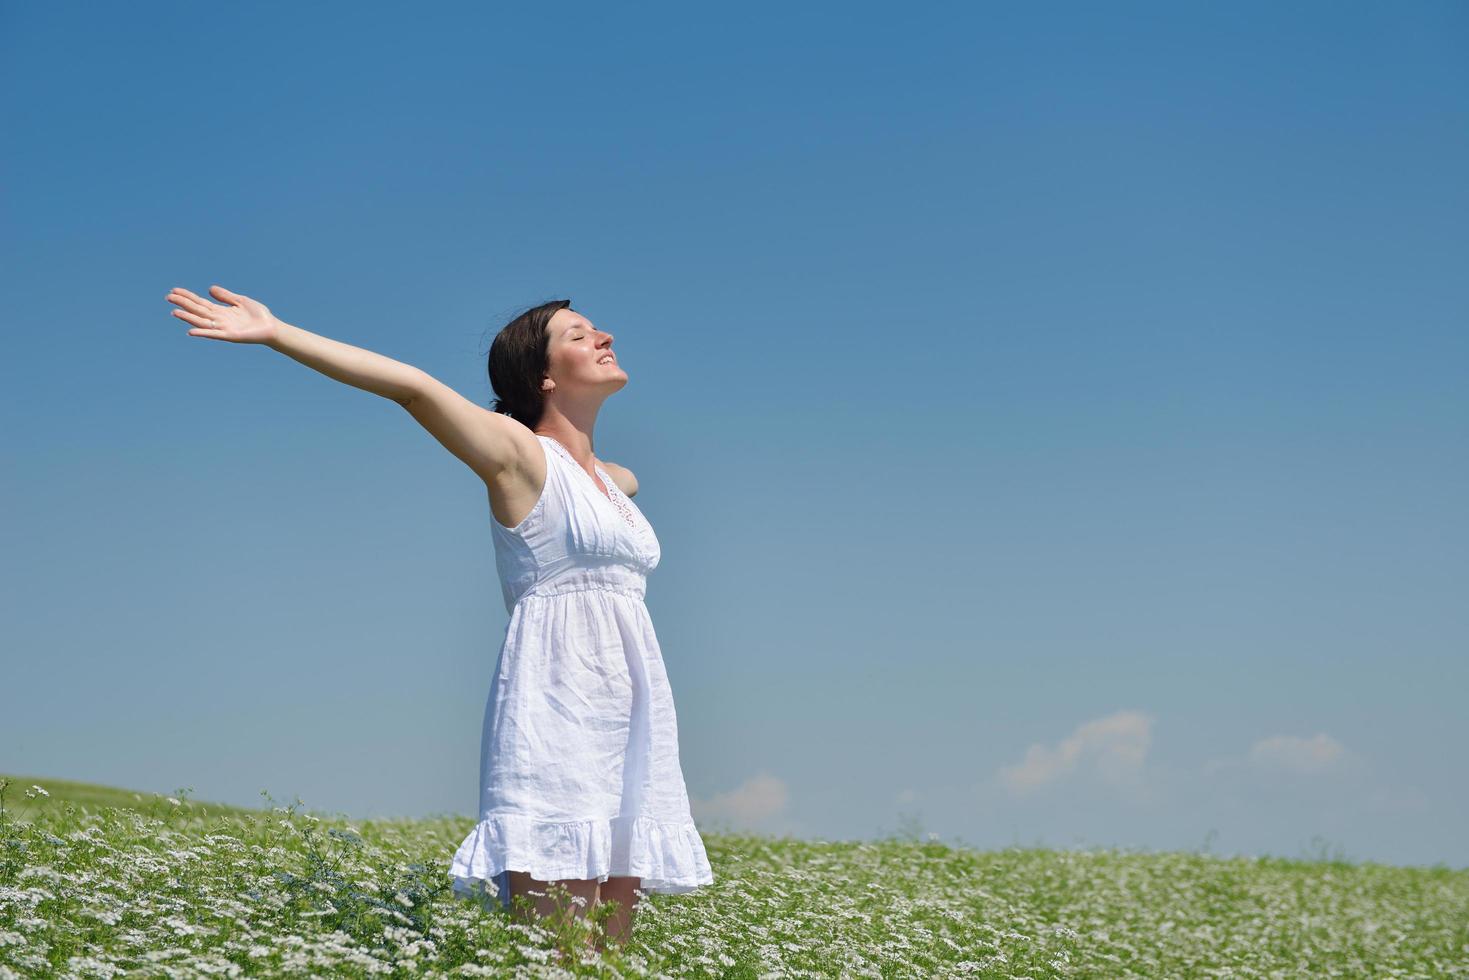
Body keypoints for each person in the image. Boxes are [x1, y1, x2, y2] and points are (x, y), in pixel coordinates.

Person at [164, 285, 715, 953]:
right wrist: (278, 332)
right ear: (541, 376)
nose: (603, 339)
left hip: (630, 712)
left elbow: (607, 495)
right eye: (578, 334)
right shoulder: (514, 453)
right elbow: (414, 388)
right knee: (562, 948)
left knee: (613, 948)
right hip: (559, 705)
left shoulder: (614, 480)